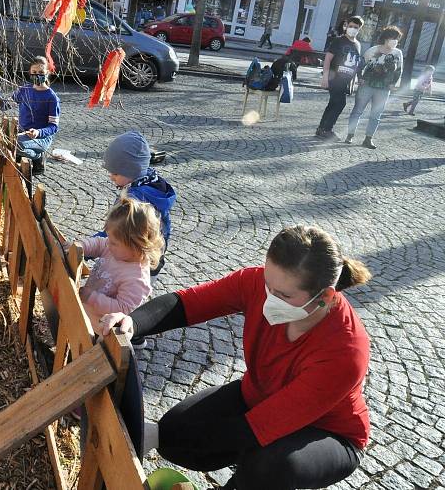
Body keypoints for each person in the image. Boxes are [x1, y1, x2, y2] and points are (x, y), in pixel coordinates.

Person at [100, 225, 371, 490]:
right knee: (174, 433)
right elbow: (190, 303)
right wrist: (132, 322)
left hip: (328, 431)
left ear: (324, 297)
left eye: (284, 295)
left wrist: (180, 438)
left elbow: (257, 428)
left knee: (266, 467)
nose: (269, 299)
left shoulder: (346, 350)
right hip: (259, 396)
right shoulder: (258, 284)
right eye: (267, 285)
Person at [71, 197, 164, 339]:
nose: (108, 244)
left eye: (114, 243)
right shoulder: (114, 249)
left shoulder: (136, 279)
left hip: (98, 330)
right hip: (84, 313)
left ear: (136, 245)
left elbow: (123, 309)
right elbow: (98, 243)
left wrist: (92, 297)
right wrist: (82, 246)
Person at [99, 131, 177, 279]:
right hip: (151, 256)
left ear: (131, 171)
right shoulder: (151, 182)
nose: (111, 177)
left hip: (137, 265)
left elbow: (116, 232)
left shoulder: (135, 200)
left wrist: (87, 248)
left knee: (128, 298)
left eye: (115, 174)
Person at [346, 26, 404, 149]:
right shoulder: (372, 50)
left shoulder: (398, 53)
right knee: (357, 111)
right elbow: (361, 65)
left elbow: (399, 70)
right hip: (367, 85)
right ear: (386, 38)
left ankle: (368, 138)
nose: (395, 41)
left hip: (384, 88)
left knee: (376, 114)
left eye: (397, 39)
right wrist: (360, 78)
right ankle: (350, 135)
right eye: (393, 38)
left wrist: (394, 83)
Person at [316, 16, 364, 141]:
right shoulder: (339, 41)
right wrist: (325, 78)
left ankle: (321, 128)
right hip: (334, 77)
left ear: (359, 29)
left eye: (356, 27)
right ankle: (327, 129)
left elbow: (356, 64)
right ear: (346, 26)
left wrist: (355, 81)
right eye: (351, 26)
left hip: (345, 81)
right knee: (340, 103)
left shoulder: (358, 44)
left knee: (333, 103)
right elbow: (328, 59)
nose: (353, 29)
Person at [12, 56, 60, 174]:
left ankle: (38, 157)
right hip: (22, 132)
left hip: (41, 138)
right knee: (6, 139)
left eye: (41, 72)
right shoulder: (24, 90)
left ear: (47, 73)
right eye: (34, 72)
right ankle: (28, 157)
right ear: (30, 72)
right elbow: (6, 104)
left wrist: (38, 132)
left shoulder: (52, 97)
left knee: (15, 143)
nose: (37, 75)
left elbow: (53, 126)